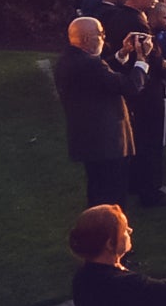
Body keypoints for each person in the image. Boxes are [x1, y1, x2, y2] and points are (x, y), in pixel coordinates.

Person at [52, 14, 152, 208]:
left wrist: (123, 53)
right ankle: (111, 232)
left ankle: (96, 229)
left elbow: (102, 79)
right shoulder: (90, 64)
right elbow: (130, 86)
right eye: (101, 34)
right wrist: (142, 59)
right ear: (88, 39)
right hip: (107, 142)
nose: (104, 38)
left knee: (97, 191)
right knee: (111, 195)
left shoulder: (70, 59)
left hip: (90, 139)